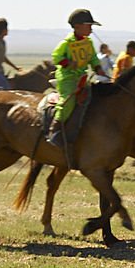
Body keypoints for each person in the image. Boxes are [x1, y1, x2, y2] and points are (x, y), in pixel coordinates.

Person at [49, 9, 108, 168]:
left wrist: (98, 68)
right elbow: (56, 57)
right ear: (77, 26)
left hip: (82, 77)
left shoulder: (88, 42)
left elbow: (93, 58)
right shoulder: (66, 43)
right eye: (88, 25)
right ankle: (55, 129)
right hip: (67, 78)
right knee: (69, 101)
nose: (91, 28)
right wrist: (68, 63)